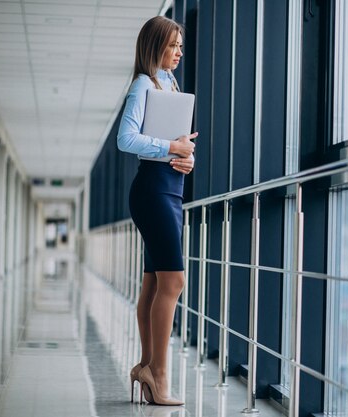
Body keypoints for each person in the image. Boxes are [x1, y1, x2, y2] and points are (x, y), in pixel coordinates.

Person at [116, 15, 197, 406]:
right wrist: (171, 150)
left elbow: (174, 143)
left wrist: (185, 158)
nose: (179, 52)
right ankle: (158, 376)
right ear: (155, 47)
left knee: (154, 282)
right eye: (173, 45)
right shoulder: (143, 85)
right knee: (173, 281)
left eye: (180, 46)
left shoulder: (169, 83)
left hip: (170, 188)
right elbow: (126, 138)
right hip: (153, 192)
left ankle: (146, 366)